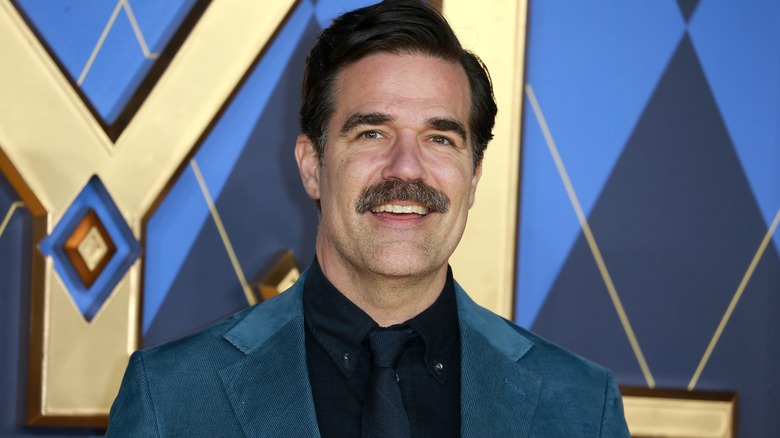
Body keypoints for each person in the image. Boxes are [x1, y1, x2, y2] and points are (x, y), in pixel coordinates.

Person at [107, 1, 629, 436]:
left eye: (440, 138)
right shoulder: (169, 397)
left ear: (472, 179)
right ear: (313, 166)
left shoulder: (583, 406)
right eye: (371, 133)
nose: (406, 167)